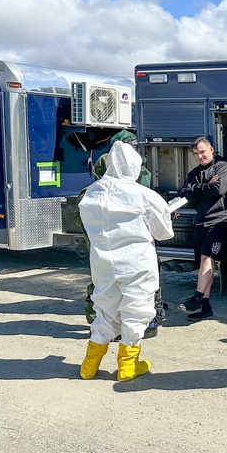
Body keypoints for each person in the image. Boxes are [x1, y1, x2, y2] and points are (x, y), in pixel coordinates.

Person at [77, 141, 175, 381]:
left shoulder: (92, 192)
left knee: (105, 309)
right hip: (136, 265)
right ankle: (128, 366)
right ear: (134, 167)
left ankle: (89, 366)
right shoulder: (144, 195)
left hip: (103, 264)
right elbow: (163, 233)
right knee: (136, 311)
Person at [74, 130, 165, 338]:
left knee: (105, 294)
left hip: (107, 243)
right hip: (133, 246)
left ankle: (94, 356)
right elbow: (161, 229)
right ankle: (128, 353)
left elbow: (83, 215)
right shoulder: (136, 178)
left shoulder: (94, 190)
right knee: (134, 299)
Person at [179, 137, 227, 321]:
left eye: (202, 152)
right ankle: (205, 306)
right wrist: (203, 187)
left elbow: (219, 188)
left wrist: (197, 188)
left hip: (220, 220)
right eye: (196, 154)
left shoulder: (221, 166)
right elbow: (188, 196)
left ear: (211, 149)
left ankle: (197, 297)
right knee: (203, 262)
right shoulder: (193, 173)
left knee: (207, 257)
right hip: (201, 222)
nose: (200, 156)